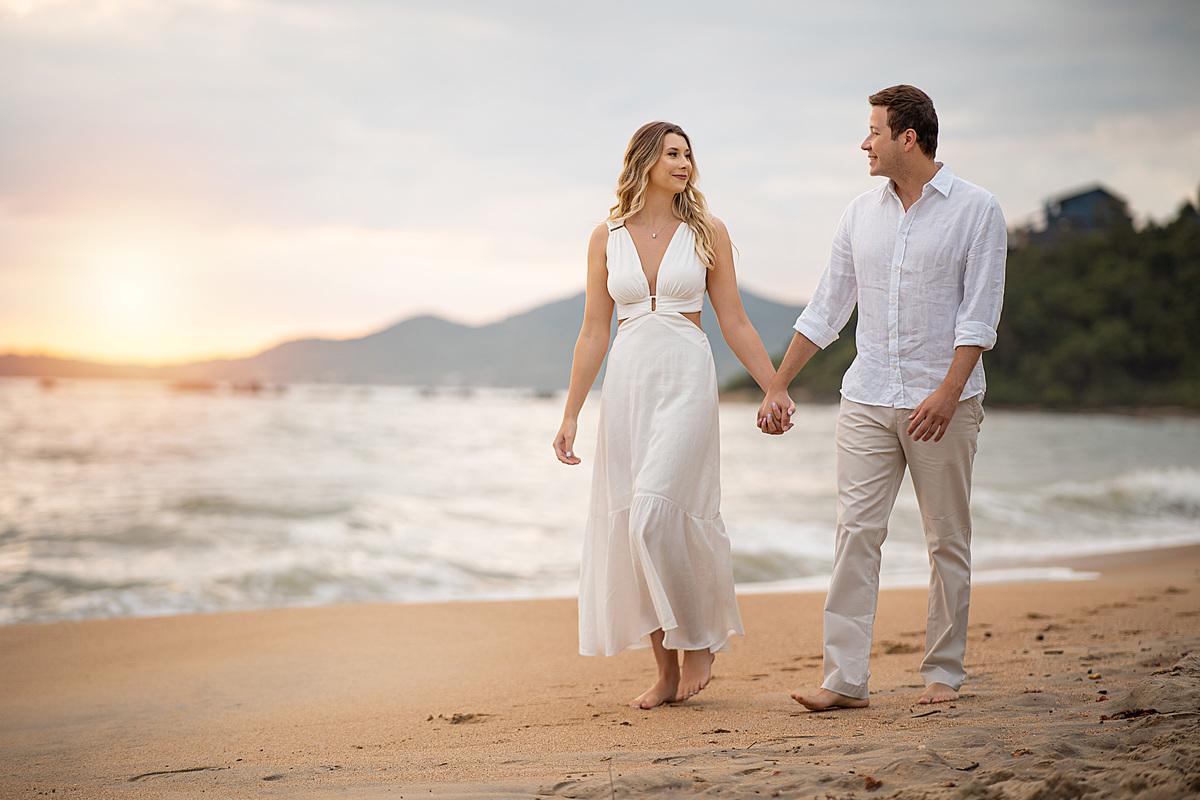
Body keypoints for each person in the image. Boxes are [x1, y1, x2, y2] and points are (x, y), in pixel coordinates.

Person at [758, 85, 1006, 709]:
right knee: (855, 534)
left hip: (941, 404)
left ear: (908, 139)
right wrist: (778, 382)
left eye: (873, 131)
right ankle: (844, 680)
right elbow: (826, 308)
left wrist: (950, 392)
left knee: (946, 537)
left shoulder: (978, 210)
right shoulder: (858, 215)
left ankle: (943, 673)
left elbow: (978, 318)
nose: (863, 143)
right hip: (866, 398)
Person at [553, 121, 781, 709]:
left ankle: (700, 639)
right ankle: (665, 672)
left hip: (686, 377)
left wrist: (773, 386)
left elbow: (734, 321)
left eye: (689, 154)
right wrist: (571, 413)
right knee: (634, 525)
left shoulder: (708, 231)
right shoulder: (606, 236)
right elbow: (593, 330)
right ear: (646, 160)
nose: (684, 163)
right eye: (673, 153)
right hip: (627, 385)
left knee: (656, 513)